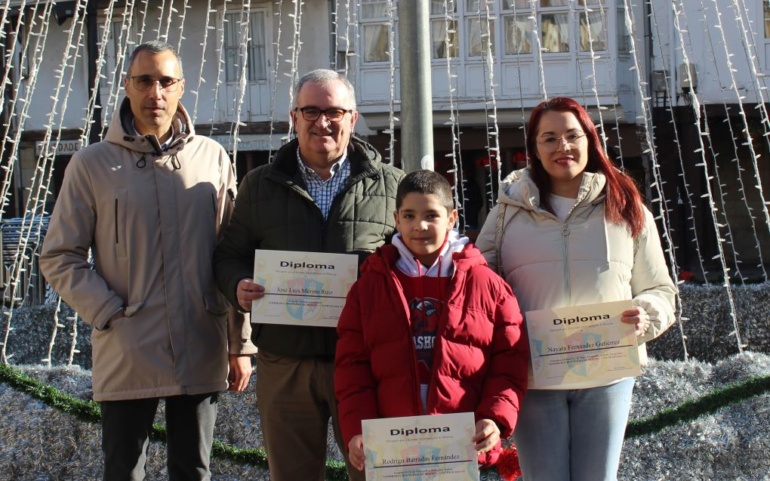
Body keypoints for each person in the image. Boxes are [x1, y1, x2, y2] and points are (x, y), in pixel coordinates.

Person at [39, 40, 256, 481]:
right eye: (144, 81)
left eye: (165, 81)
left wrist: (241, 343)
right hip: (127, 344)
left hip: (200, 339)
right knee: (123, 471)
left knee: (194, 470)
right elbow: (60, 255)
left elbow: (232, 256)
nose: (154, 92)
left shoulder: (212, 158)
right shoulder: (91, 165)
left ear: (181, 89)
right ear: (127, 87)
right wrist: (107, 311)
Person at [213, 69, 404, 481]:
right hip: (286, 363)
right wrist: (237, 287)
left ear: (352, 118)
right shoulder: (259, 185)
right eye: (311, 110)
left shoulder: (393, 186)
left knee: (378, 474)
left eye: (334, 111)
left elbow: (419, 264)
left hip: (366, 364)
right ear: (293, 117)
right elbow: (229, 256)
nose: (323, 121)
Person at [475, 96, 678, 481]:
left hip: (607, 374)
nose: (562, 147)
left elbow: (660, 289)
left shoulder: (626, 206)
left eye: (572, 135)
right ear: (534, 149)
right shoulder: (506, 211)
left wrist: (645, 315)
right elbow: (477, 287)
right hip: (534, 374)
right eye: (548, 138)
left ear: (590, 140)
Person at [334, 169, 529, 472]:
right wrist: (358, 428)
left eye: (431, 215)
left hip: (461, 449)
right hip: (395, 449)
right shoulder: (369, 287)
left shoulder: (487, 284)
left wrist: (494, 417)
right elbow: (352, 368)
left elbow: (510, 361)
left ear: (452, 218)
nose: (419, 226)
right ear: (396, 219)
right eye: (409, 216)